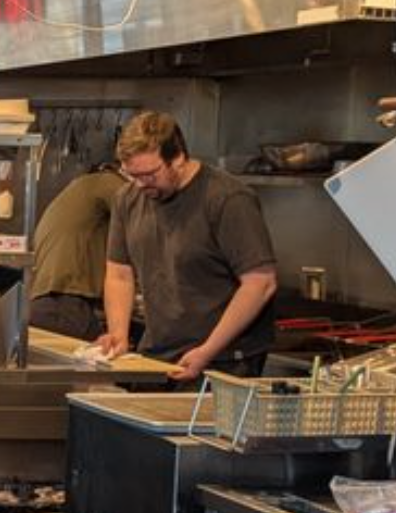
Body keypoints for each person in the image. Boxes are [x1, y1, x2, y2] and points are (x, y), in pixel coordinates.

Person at [95, 111, 278, 380]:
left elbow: (260, 283)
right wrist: (118, 334)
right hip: (159, 354)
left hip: (223, 361)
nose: (141, 184)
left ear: (178, 158)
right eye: (132, 175)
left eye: (150, 174)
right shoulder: (127, 199)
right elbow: (119, 274)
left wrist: (208, 350)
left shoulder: (228, 199)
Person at [28, 162, 127, 341]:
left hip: (46, 303)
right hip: (66, 305)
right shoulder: (109, 184)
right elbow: (143, 217)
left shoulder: (81, 188)